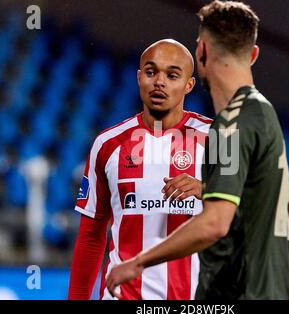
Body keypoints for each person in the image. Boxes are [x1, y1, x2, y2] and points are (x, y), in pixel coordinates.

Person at [106, 1, 289, 300]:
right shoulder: (264, 114)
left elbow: (214, 223)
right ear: (253, 55)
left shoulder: (228, 127)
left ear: (201, 54)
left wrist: (138, 263)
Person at [68, 39, 213, 300]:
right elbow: (91, 234)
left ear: (189, 85)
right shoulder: (108, 144)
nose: (159, 81)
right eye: (150, 71)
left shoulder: (218, 140)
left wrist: (208, 190)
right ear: (138, 78)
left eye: (172, 75)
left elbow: (251, 211)